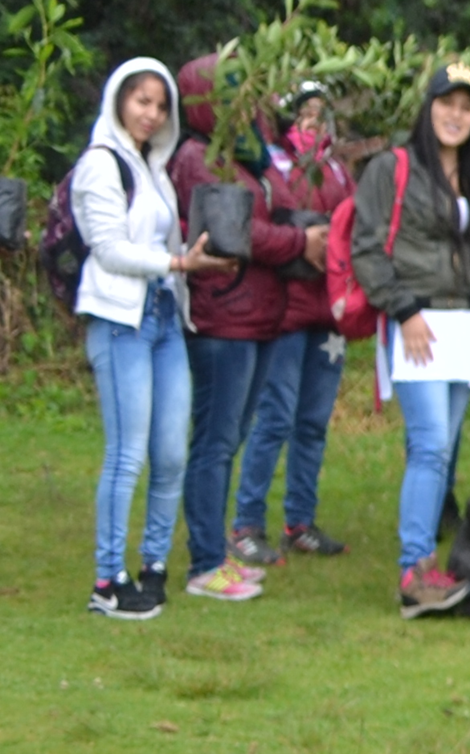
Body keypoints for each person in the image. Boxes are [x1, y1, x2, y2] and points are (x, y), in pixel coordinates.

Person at [354, 62, 470, 613]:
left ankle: (423, 566)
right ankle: (413, 569)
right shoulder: (392, 168)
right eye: (447, 103)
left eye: (467, 108)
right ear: (430, 108)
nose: (456, 115)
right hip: (418, 323)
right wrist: (404, 311)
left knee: (442, 451)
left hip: (467, 325)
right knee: (429, 446)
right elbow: (367, 247)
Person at [76, 57, 212, 621]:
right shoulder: (100, 164)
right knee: (127, 454)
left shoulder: (153, 167)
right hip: (119, 320)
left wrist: (178, 272)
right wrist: (179, 262)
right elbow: (108, 248)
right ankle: (108, 581)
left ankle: (153, 565)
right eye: (142, 100)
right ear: (118, 101)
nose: (152, 113)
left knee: (171, 452)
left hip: (162, 317)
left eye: (161, 104)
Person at [162, 54, 289, 604]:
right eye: (233, 95)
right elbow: (236, 234)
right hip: (224, 317)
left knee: (229, 437)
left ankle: (216, 549)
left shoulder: (248, 155)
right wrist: (296, 244)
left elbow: (276, 208)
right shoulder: (200, 157)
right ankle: (206, 562)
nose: (247, 107)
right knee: (214, 442)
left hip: (256, 314)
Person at [226, 79, 352, 571]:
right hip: (285, 307)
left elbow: (354, 221)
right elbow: (263, 222)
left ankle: (300, 521)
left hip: (329, 309)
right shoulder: (271, 165)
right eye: (304, 112)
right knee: (274, 414)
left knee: (314, 420)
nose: (312, 121)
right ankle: (246, 523)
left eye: (321, 113)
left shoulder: (339, 170)